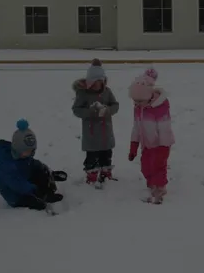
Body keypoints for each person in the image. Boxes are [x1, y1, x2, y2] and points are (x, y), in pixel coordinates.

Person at [0, 119, 67, 211]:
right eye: (27, 151)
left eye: (32, 150)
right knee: (39, 204)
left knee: (39, 170)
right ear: (17, 148)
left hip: (25, 177)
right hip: (16, 195)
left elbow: (33, 164)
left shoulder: (21, 155)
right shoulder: (6, 166)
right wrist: (37, 192)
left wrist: (49, 173)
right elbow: (20, 185)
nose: (30, 153)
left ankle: (48, 189)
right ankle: (43, 199)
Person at [127, 68, 174, 204]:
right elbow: (136, 127)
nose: (136, 104)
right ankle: (151, 182)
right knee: (145, 166)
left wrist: (163, 147)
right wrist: (133, 146)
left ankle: (160, 188)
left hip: (161, 144)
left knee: (158, 166)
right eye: (135, 101)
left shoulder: (160, 108)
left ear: (148, 96)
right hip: (147, 145)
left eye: (139, 101)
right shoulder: (139, 107)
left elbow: (165, 129)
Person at [72, 59, 120, 188]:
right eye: (95, 83)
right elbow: (76, 110)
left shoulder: (107, 92)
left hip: (106, 132)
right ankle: (91, 176)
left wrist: (107, 110)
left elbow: (115, 105)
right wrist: (90, 112)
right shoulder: (83, 94)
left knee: (107, 155)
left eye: (100, 82)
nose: (97, 85)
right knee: (92, 157)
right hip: (91, 133)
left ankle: (106, 174)